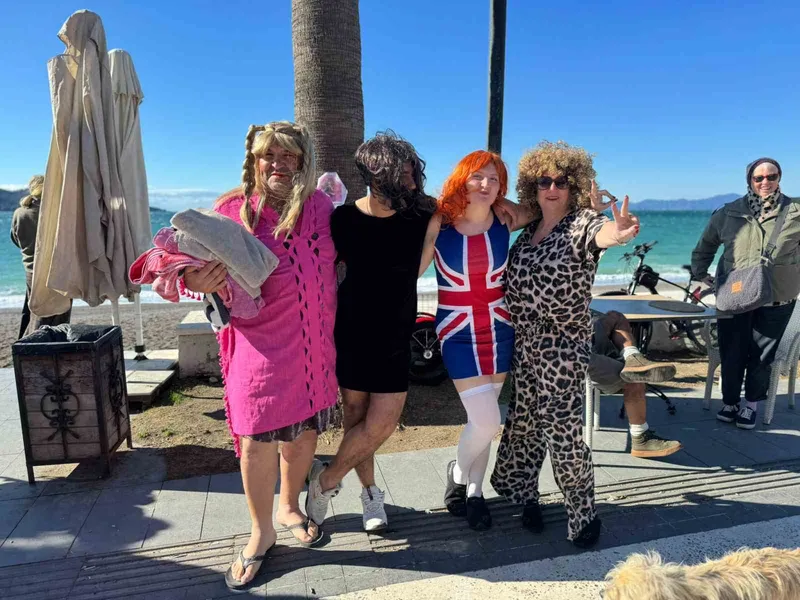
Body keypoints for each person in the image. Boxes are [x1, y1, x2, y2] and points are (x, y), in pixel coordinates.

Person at [183, 122, 338, 590]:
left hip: (313, 347)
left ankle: (289, 506)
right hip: (257, 348)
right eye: (270, 155)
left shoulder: (321, 207)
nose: (279, 165)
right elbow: (181, 263)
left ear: (303, 162)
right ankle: (261, 530)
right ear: (254, 160)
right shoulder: (231, 211)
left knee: (304, 431)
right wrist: (195, 281)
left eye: (290, 157)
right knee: (256, 439)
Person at [490, 141, 640, 549]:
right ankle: (526, 497)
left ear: (573, 185)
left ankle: (582, 512)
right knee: (524, 425)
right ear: (533, 187)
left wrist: (619, 231)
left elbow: (604, 234)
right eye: (544, 181)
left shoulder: (582, 225)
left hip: (561, 349)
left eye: (561, 181)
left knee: (563, 432)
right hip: (524, 346)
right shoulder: (528, 231)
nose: (552, 188)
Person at [305, 132, 436, 533]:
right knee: (356, 418)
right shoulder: (342, 219)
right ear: (376, 176)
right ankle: (370, 494)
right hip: (352, 330)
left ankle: (326, 480)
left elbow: (480, 207)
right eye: (404, 176)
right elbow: (314, 266)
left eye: (414, 174)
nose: (412, 183)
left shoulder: (423, 213)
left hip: (396, 333)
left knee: (382, 423)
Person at [413, 150, 514, 531]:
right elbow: (413, 269)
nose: (486, 184)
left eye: (494, 179)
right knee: (488, 420)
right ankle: (458, 472)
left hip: (500, 330)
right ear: (462, 179)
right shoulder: (441, 222)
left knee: (479, 419)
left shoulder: (506, 219)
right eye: (478, 177)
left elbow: (548, 210)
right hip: (457, 332)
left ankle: (474, 492)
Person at [692, 158, 800, 430]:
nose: (765, 182)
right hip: (735, 294)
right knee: (732, 351)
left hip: (777, 296)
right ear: (749, 180)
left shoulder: (795, 212)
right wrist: (700, 272)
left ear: (779, 178)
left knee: (762, 355)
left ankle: (751, 404)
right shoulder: (728, 212)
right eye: (758, 177)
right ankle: (730, 402)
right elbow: (706, 245)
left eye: (772, 176)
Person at [589, 309, 682, 458]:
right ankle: (640, 439)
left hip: (582, 333)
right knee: (634, 377)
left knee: (616, 316)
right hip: (571, 351)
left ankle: (633, 357)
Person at [10, 175, 72, 339]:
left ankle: (24, 344)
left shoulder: (20, 213)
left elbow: (16, 239)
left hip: (31, 271)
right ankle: (44, 347)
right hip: (58, 270)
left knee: (33, 311)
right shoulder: (57, 212)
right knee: (58, 319)